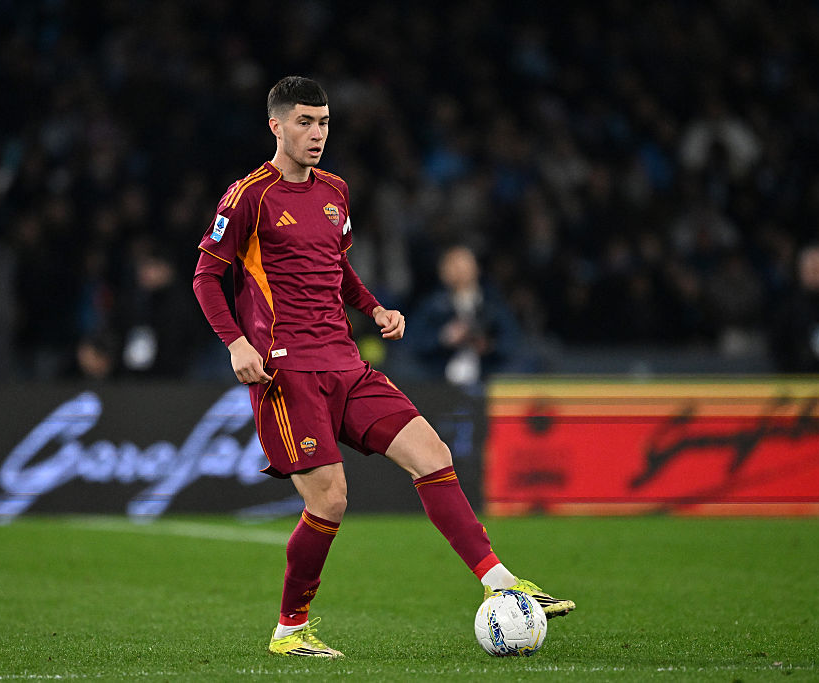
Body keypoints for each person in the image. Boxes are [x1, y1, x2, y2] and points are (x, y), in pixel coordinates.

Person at [192, 76, 574, 658]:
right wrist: (236, 344)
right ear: (276, 126)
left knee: (433, 454)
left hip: (346, 363)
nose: (316, 133)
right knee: (329, 501)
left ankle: (503, 583)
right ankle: (291, 630)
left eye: (323, 123)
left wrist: (374, 308)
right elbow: (206, 277)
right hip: (286, 372)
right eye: (304, 122)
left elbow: (337, 269)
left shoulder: (336, 191)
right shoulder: (249, 196)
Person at [411, 244, 527, 385]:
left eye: (464, 265)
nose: (460, 271)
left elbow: (512, 341)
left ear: (476, 268)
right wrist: (444, 338)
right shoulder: (433, 305)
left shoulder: (493, 304)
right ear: (443, 271)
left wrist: (488, 345)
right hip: (439, 379)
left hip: (487, 377)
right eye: (453, 265)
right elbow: (413, 342)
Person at [769, 243, 819, 372]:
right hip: (798, 376)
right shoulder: (787, 305)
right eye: (811, 269)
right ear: (801, 271)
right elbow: (778, 346)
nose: (816, 274)